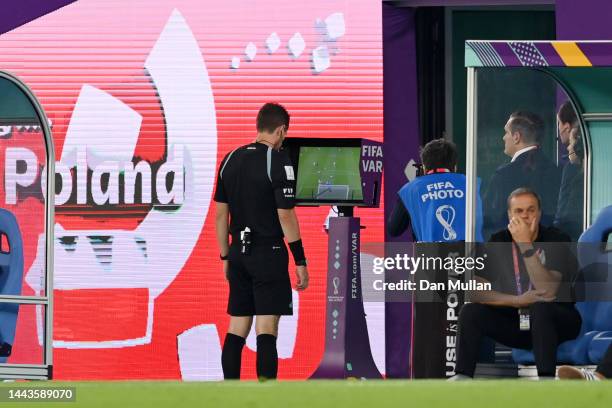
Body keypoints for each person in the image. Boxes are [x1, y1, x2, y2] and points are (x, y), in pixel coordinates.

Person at [214, 102, 309, 380]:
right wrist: (300, 259)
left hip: (237, 255)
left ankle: (230, 396)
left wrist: (225, 257)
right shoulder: (278, 160)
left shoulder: (230, 158)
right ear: (281, 130)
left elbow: (221, 216)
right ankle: (266, 396)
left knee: (237, 326)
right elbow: (286, 215)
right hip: (268, 252)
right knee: (266, 328)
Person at [450, 188, 581, 380]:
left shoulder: (556, 238)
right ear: (510, 215)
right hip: (518, 321)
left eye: (531, 210)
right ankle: (462, 375)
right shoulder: (499, 240)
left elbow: (547, 291)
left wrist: (525, 245)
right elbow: (474, 291)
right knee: (471, 312)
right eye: (519, 211)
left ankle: (546, 378)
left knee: (540, 307)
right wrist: (515, 300)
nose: (525, 216)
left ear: (539, 213)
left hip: (558, 320)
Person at [483, 111, 561, 240]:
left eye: (506, 132)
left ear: (516, 137)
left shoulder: (503, 175)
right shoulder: (556, 170)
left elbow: (490, 219)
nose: (503, 137)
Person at [387, 138, 483, 242]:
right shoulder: (473, 183)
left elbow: (394, 229)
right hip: (471, 255)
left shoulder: (410, 189)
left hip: (431, 255)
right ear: (455, 167)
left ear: (424, 167)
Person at [554, 124, 585, 241]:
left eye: (571, 143)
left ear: (579, 148)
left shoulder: (578, 179)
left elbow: (567, 219)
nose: (568, 148)